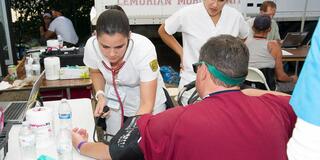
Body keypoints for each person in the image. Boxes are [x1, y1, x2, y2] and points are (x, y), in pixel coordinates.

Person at [72, 35, 296, 160]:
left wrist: (81, 144)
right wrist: (246, 92)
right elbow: (283, 97)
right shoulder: (279, 107)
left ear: (203, 71)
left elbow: (115, 153)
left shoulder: (174, 121)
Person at [83, 9, 167, 137]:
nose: (111, 54)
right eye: (105, 47)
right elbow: (95, 72)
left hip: (145, 99)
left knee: (145, 144)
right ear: (95, 36)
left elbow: (147, 105)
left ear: (129, 36)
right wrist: (101, 95)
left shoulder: (144, 48)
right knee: (113, 140)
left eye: (119, 47)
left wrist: (128, 137)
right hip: (114, 100)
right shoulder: (91, 45)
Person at [158, 0, 249, 105]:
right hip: (192, 82)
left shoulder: (235, 17)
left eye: (221, 0)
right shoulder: (188, 13)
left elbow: (244, 36)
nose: (215, 5)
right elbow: (163, 30)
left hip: (225, 85)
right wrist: (182, 53)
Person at [245, 15, 297, 91]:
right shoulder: (273, 46)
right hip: (267, 89)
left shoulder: (244, 43)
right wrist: (292, 79)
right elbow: (280, 77)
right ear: (269, 29)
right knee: (296, 86)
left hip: (246, 88)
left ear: (253, 28)